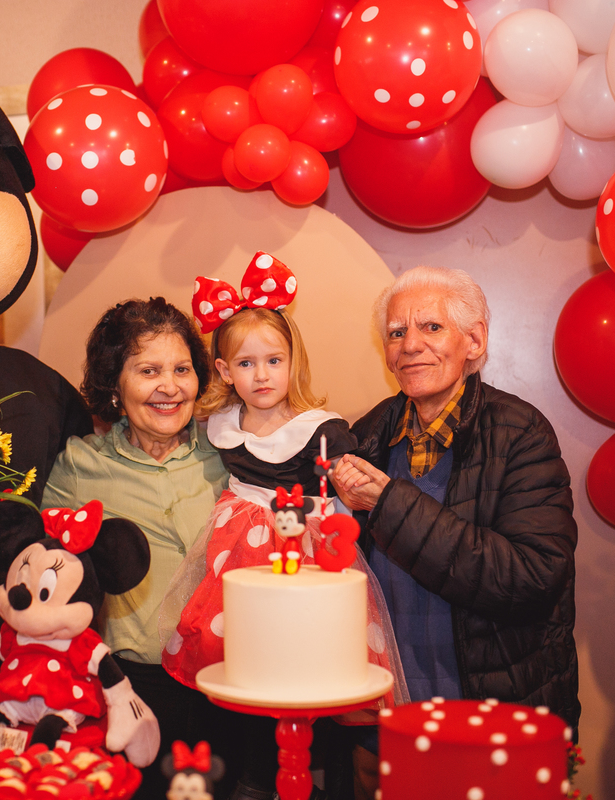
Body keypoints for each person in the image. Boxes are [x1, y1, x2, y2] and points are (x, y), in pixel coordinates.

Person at [161, 252, 406, 800]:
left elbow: (346, 496)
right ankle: (254, 776)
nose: (262, 375)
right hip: (233, 567)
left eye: (273, 360)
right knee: (244, 667)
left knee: (302, 668)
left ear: (293, 361)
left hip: (301, 560)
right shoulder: (219, 427)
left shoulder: (320, 430)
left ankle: (304, 776)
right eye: (245, 364)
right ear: (224, 371)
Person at [331, 266, 579, 798]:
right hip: (383, 714)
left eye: (431, 328)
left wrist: (388, 503)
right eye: (396, 333)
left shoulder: (521, 434)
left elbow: (532, 576)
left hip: (491, 710)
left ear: (475, 340)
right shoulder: (366, 435)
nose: (410, 346)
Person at [41, 297, 233, 800]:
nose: (169, 386)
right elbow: (49, 575)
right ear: (114, 385)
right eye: (149, 370)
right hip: (128, 690)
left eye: (182, 369)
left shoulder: (231, 454)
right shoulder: (80, 466)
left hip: (225, 685)